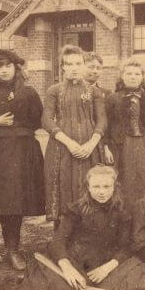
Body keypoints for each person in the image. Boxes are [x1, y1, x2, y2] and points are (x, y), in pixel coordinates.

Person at [0, 166, 145, 290]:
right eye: (96, 186)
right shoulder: (76, 209)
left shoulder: (123, 211)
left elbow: (126, 246)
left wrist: (108, 267)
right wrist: (67, 267)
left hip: (106, 262)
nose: (101, 191)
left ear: (114, 188)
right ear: (88, 187)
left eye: (106, 186)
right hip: (74, 260)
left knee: (144, 281)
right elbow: (57, 241)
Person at [0, 49, 45, 271]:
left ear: (16, 67)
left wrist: (18, 130)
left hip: (23, 150)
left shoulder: (29, 92)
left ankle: (13, 248)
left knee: (18, 198)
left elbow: (37, 121)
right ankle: (9, 246)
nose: (3, 70)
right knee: (3, 200)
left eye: (7, 66)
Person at [43, 45, 107, 224]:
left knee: (88, 186)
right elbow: (47, 120)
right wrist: (69, 143)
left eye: (78, 63)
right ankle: (62, 237)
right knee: (63, 186)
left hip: (90, 148)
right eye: (68, 64)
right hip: (61, 148)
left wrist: (91, 144)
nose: (73, 68)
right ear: (62, 66)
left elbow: (102, 121)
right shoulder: (53, 90)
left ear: (83, 65)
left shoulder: (94, 92)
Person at [104, 58, 145, 204]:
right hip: (122, 145)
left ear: (142, 77)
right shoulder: (113, 98)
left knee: (143, 179)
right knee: (124, 180)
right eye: (129, 74)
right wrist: (106, 147)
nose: (133, 77)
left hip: (143, 144)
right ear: (122, 76)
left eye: (137, 74)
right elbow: (106, 126)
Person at [83, 52, 114, 165]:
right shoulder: (72, 93)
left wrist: (106, 147)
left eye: (98, 68)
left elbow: (108, 123)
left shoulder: (107, 94)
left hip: (100, 143)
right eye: (91, 67)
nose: (95, 71)